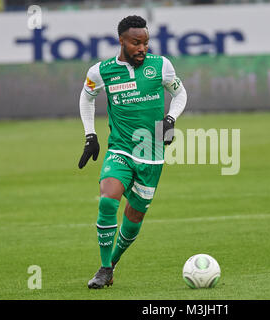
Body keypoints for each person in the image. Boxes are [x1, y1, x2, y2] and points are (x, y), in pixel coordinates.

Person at [78, 15, 187, 289]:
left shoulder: (161, 66)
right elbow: (87, 97)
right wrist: (90, 135)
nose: (142, 48)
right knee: (107, 201)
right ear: (122, 41)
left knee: (134, 218)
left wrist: (171, 119)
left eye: (146, 43)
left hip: (152, 156)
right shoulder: (101, 71)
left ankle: (111, 266)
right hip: (121, 150)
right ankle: (103, 268)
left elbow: (180, 94)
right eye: (136, 43)